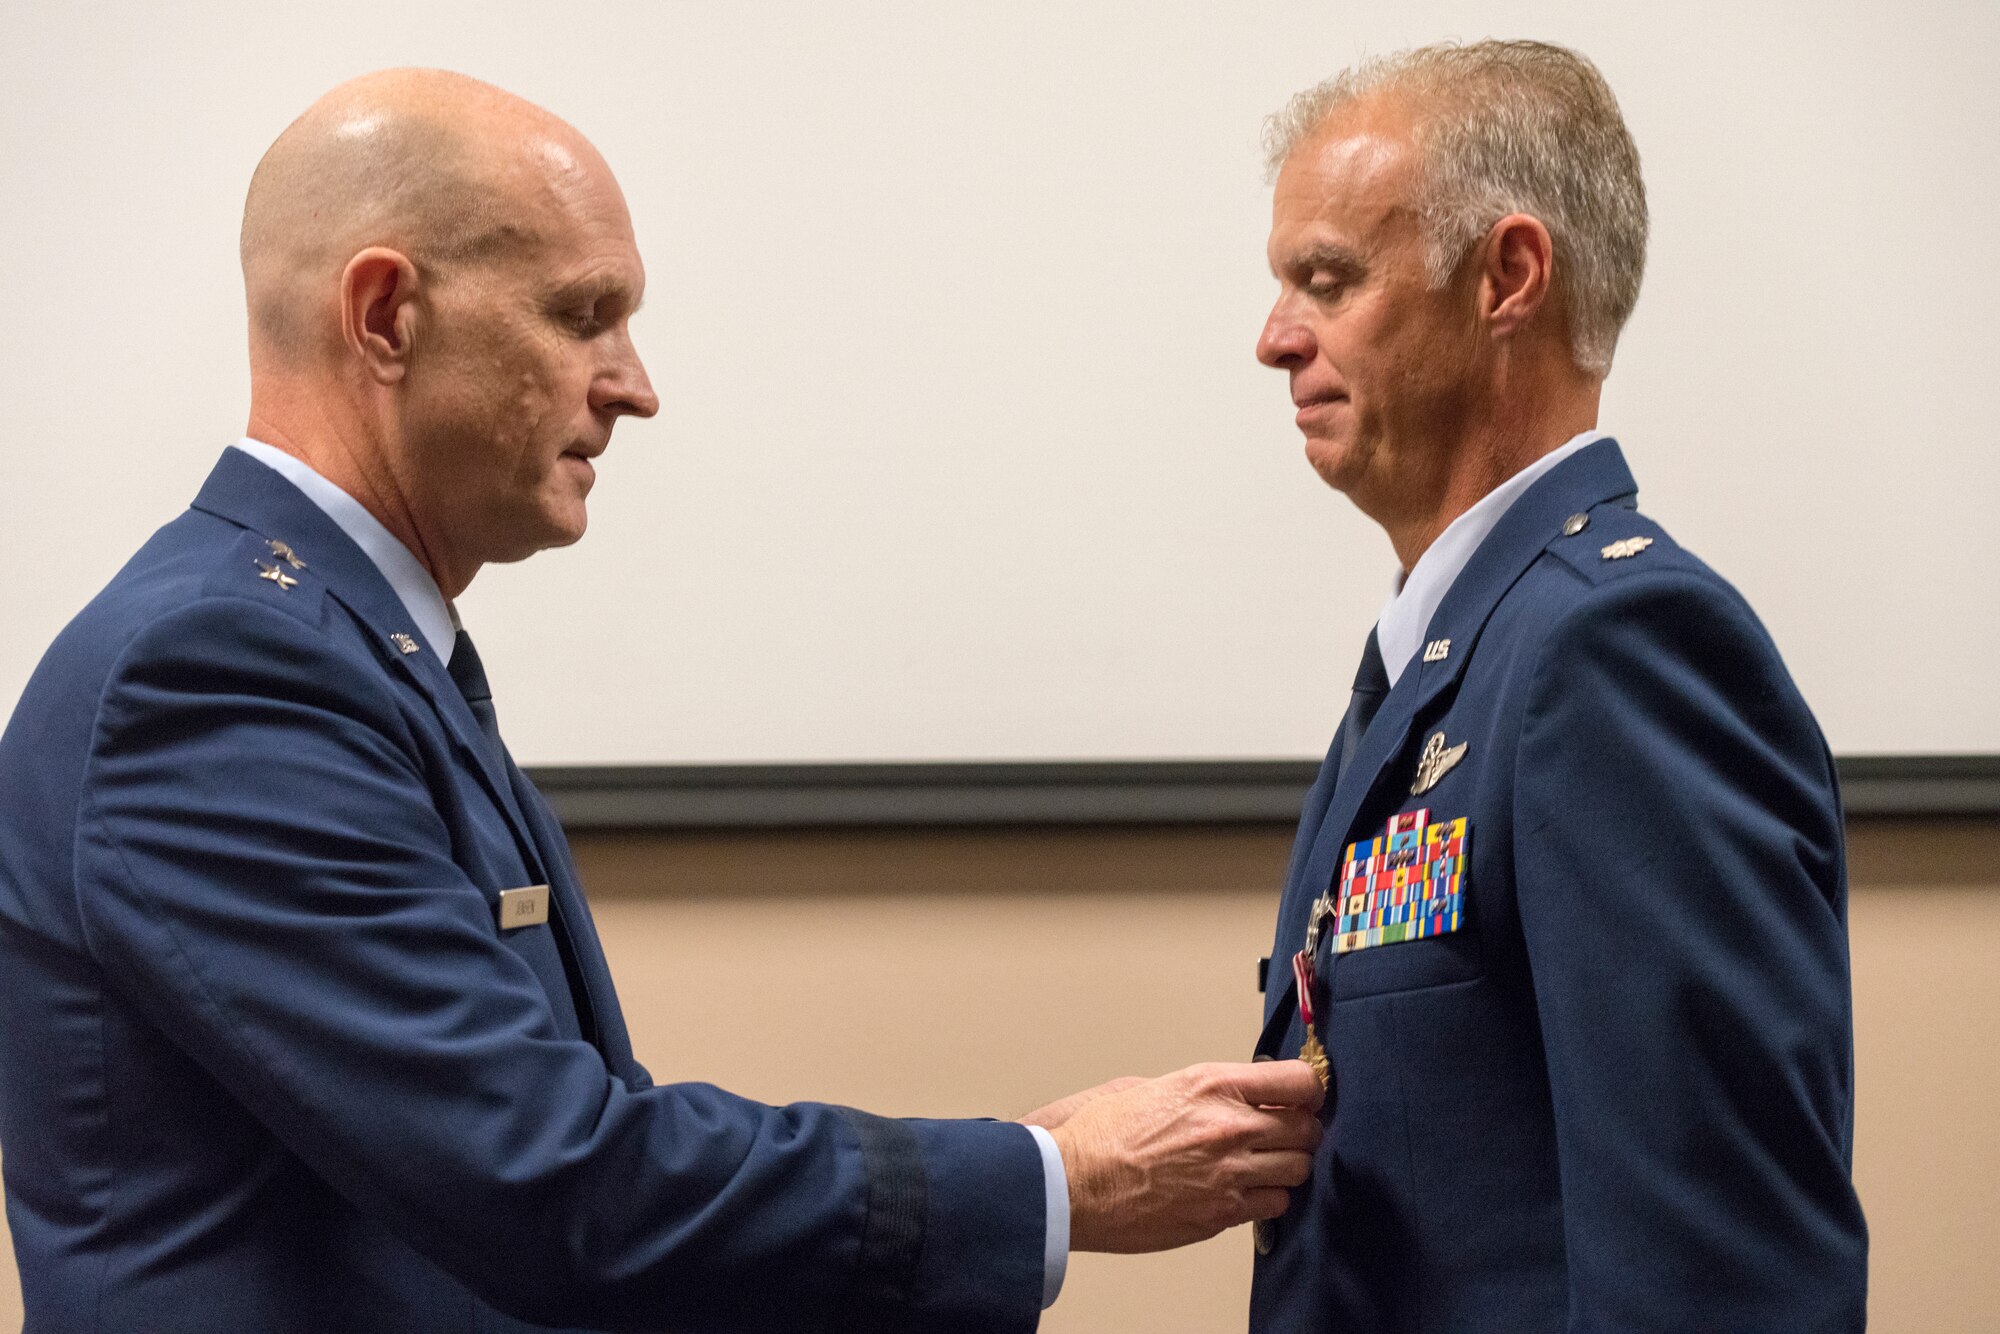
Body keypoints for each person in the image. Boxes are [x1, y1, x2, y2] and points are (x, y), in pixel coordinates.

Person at [0, 69, 1324, 1333]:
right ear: (388, 315)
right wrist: (1050, 1178)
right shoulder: (224, 669)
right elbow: (551, 1177)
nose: (633, 384)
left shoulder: (353, 648)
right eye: (582, 316)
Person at [1246, 40, 1867, 1332]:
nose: (1275, 337)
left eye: (1329, 279)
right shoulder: (1438, 660)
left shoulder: (1618, 647)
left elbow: (1716, 1282)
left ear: (1507, 278)